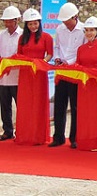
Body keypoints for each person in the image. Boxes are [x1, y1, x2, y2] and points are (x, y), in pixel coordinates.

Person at [50, 2, 86, 149]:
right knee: (59, 104)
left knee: (75, 106)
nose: (66, 23)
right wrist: (58, 58)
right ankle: (58, 137)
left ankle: (74, 138)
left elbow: (83, 51)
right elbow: (57, 47)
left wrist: (70, 62)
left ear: (75, 17)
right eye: (63, 21)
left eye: (68, 20)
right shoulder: (60, 29)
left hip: (76, 71)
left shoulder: (84, 30)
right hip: (62, 71)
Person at [16, 8, 53, 145]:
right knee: (25, 103)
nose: (33, 26)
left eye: (35, 23)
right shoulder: (22, 38)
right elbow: (18, 54)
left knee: (38, 103)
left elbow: (49, 54)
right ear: (26, 25)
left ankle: (38, 136)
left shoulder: (47, 37)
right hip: (25, 73)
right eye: (30, 24)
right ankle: (24, 135)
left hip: (39, 73)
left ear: (39, 23)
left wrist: (41, 63)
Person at [74, 16, 97, 151]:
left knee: (95, 113)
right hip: (83, 85)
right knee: (84, 112)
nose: (89, 33)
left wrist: (93, 73)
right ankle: (84, 140)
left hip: (96, 85)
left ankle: (96, 142)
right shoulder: (81, 48)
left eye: (92, 30)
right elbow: (78, 63)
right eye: (87, 30)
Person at [0, 6, 22, 141]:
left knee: (21, 104)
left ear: (17, 20)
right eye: (5, 21)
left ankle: (21, 130)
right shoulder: (1, 35)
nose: (7, 24)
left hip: (18, 76)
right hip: (3, 77)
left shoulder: (22, 35)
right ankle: (8, 130)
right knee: (4, 105)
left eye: (10, 21)